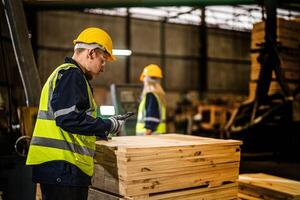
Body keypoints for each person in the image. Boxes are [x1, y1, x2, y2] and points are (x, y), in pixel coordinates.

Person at [26, 27, 124, 200]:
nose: (103, 68)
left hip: (60, 169)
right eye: (103, 60)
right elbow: (69, 119)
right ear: (91, 53)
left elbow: (72, 120)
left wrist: (100, 130)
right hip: (64, 169)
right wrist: (108, 125)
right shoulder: (72, 75)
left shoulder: (68, 75)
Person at [136, 64, 166, 135]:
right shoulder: (158, 95)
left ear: (146, 79)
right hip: (158, 135)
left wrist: (148, 131)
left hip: (149, 136)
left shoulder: (151, 94)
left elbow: (152, 115)